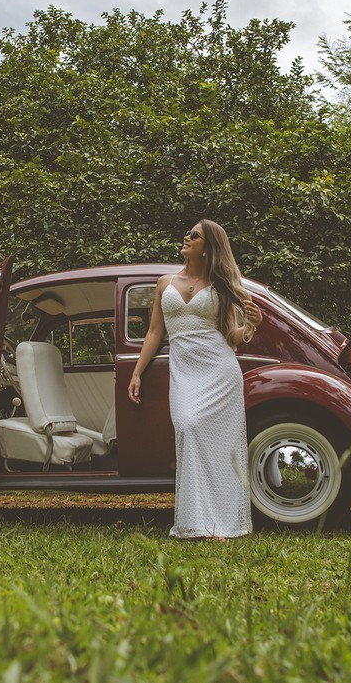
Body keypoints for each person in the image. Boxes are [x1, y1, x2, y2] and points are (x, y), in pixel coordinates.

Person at [128, 220, 264, 539]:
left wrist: (252, 327)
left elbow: (232, 337)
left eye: (194, 235)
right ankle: (194, 519)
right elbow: (155, 332)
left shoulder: (221, 286)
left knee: (219, 445)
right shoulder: (165, 282)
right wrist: (136, 372)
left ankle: (220, 524)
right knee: (187, 425)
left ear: (208, 246)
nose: (186, 237)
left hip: (219, 368)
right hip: (184, 368)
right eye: (187, 232)